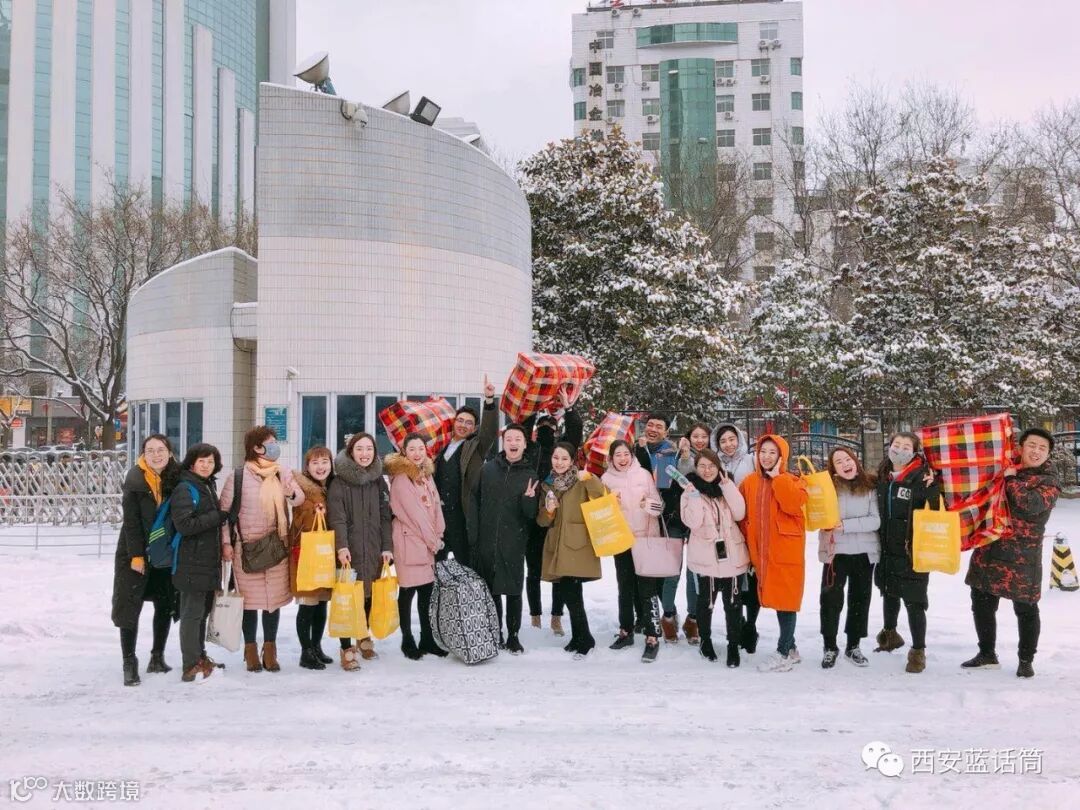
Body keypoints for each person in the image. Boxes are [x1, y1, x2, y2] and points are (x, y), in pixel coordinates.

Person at [962, 428, 1061, 678]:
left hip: (1022, 556)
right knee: (981, 602)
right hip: (990, 548)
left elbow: (1030, 504)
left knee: (1026, 609)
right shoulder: (1005, 467)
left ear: (1048, 454)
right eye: (1032, 445)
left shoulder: (1048, 481)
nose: (1036, 451)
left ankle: (1026, 660)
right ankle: (987, 653)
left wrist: (1010, 479)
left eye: (1042, 448)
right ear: (1021, 447)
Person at [219, 426, 305, 673]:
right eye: (270, 442)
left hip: (276, 547)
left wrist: (289, 492)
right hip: (246, 550)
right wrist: (226, 543)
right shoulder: (237, 477)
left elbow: (299, 499)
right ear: (256, 448)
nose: (275, 446)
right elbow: (224, 515)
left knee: (272, 602)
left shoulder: (281, 472)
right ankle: (250, 651)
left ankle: (269, 650)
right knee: (248, 603)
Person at [111, 434, 182, 686]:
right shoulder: (135, 480)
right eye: (150, 450)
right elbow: (130, 523)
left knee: (165, 603)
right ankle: (129, 662)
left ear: (169, 453)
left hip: (164, 552)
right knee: (130, 606)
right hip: (135, 551)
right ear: (143, 454)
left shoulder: (177, 478)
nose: (156, 455)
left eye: (160, 449)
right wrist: (136, 555)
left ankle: (157, 656)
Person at [738, 434, 808, 672]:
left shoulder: (793, 480)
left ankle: (783, 652)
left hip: (785, 553)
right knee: (778, 599)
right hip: (760, 553)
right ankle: (791, 649)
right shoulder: (750, 482)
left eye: (772, 452)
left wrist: (778, 478)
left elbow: (792, 504)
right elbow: (743, 516)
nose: (766, 457)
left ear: (782, 457)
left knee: (786, 601)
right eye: (763, 452)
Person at [874, 432, 940, 675]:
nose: (899, 450)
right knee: (889, 593)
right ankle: (889, 635)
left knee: (914, 602)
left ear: (914, 452)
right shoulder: (883, 475)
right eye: (896, 445)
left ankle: (918, 650)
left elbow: (936, 508)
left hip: (913, 550)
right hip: (886, 548)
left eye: (906, 446)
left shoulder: (923, 478)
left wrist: (933, 488)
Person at [328, 432, 393, 669]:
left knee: (369, 595)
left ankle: (363, 635)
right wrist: (342, 546)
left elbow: (386, 517)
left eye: (369, 449)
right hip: (349, 550)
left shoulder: (378, 481)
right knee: (348, 598)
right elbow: (337, 518)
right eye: (359, 449)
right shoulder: (339, 482)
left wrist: (387, 547)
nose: (365, 454)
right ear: (351, 452)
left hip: (373, 548)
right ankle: (346, 647)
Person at [474, 423, 540, 654]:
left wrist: (529, 499)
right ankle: (496, 633)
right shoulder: (488, 469)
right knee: (492, 591)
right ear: (503, 442)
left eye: (517, 439)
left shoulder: (530, 474)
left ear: (525, 444)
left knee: (513, 590)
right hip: (487, 540)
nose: (513, 443)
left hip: (514, 541)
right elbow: (475, 501)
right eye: (509, 438)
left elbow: (531, 515)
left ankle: (513, 636)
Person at [523, 387, 583, 636]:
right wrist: (534, 403)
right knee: (533, 571)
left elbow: (575, 432)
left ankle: (557, 616)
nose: (547, 430)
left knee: (560, 570)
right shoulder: (529, 450)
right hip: (533, 520)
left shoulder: (561, 452)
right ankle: (535, 616)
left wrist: (569, 408)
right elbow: (523, 427)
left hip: (559, 520)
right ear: (536, 430)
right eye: (542, 426)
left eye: (551, 426)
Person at [682, 449, 749, 667]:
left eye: (711, 466)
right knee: (706, 603)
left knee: (733, 604)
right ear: (696, 468)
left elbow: (739, 513)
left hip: (732, 554)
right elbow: (693, 522)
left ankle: (733, 645)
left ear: (718, 467)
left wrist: (727, 486)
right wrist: (693, 496)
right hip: (705, 556)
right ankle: (706, 640)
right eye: (702, 466)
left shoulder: (727, 486)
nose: (707, 470)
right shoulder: (689, 490)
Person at [539, 441, 605, 658]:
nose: (559, 462)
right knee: (570, 591)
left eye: (564, 458)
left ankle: (585, 638)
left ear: (572, 461)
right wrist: (549, 511)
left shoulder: (581, 479)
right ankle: (579, 637)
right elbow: (542, 521)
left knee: (571, 591)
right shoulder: (548, 484)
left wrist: (591, 477)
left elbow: (602, 495)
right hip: (558, 543)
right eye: (556, 457)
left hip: (577, 543)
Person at [635, 413, 696, 644]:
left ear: (666, 432)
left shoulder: (672, 453)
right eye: (649, 425)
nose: (652, 429)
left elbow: (678, 483)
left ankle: (673, 616)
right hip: (644, 519)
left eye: (658, 427)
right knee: (648, 571)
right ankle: (650, 616)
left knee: (673, 571)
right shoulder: (635, 450)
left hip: (670, 519)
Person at [170, 443, 229, 683]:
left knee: (202, 613)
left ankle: (200, 657)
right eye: (201, 461)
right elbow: (184, 525)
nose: (206, 465)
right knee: (192, 614)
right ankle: (190, 664)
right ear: (192, 463)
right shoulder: (185, 488)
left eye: (210, 461)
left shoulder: (205, 485)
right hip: (191, 562)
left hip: (205, 561)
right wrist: (216, 517)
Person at [602, 440, 665, 662]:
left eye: (626, 454)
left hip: (645, 539)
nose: (622, 458)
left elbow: (659, 506)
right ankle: (626, 631)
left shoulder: (644, 475)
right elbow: (601, 513)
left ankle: (652, 636)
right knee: (625, 587)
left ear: (632, 455)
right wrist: (610, 502)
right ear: (611, 458)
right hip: (621, 540)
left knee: (647, 590)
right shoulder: (606, 479)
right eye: (618, 455)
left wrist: (648, 504)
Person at [386, 433, 447, 661]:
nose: (417, 453)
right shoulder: (402, 478)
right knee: (408, 591)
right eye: (411, 449)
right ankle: (407, 639)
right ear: (404, 452)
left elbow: (436, 506)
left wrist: (439, 532)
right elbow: (416, 516)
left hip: (427, 542)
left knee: (426, 591)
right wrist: (434, 541)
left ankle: (427, 639)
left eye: (420, 448)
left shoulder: (425, 474)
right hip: (409, 541)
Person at [818, 448, 880, 669]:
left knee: (860, 600)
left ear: (855, 461)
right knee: (830, 600)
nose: (845, 464)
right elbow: (818, 515)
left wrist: (845, 525)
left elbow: (875, 521)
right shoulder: (827, 488)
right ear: (833, 468)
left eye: (848, 459)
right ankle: (829, 646)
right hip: (835, 553)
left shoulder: (870, 486)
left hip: (864, 553)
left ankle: (853, 646)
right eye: (838, 462)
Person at [434, 377, 499, 567]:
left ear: (474, 428)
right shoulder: (441, 447)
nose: (463, 425)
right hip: (438, 517)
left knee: (467, 567)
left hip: (462, 517)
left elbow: (489, 432)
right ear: (454, 422)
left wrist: (489, 401)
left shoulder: (475, 447)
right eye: (460, 420)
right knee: (436, 567)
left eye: (468, 423)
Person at [712, 422, 759, 652]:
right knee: (733, 578)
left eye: (732, 439)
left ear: (739, 439)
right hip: (727, 526)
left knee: (752, 577)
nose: (728, 444)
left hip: (750, 523)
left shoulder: (751, 460)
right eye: (723, 441)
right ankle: (738, 622)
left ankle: (751, 625)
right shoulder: (716, 463)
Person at [289, 446, 335, 671]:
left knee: (321, 603)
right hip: (306, 553)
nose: (320, 467)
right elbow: (297, 513)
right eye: (315, 463)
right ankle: (305, 652)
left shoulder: (330, 487)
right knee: (308, 604)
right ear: (307, 466)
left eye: (325, 462)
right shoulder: (301, 489)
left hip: (324, 553)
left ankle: (316, 647)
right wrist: (312, 511)